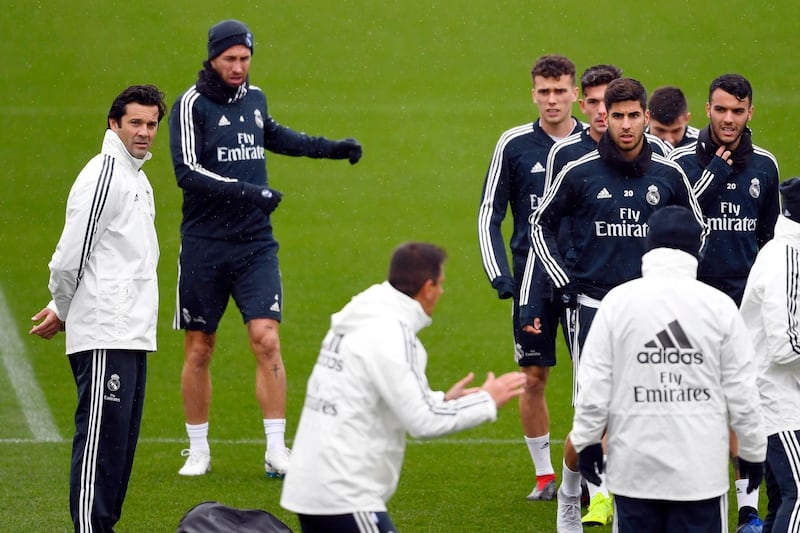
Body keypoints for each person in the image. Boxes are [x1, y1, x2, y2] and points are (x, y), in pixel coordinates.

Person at [169, 19, 363, 478]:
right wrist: (248, 193)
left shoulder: (254, 100)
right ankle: (198, 450)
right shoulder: (189, 105)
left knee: (267, 339)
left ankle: (277, 450)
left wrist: (329, 149)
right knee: (200, 347)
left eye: (245, 58)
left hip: (255, 244)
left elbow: (274, 135)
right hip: (204, 245)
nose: (238, 67)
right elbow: (188, 172)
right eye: (229, 59)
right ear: (212, 58)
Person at [524, 77, 705, 532]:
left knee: (646, 405)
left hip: (650, 310)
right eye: (616, 115)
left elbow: (696, 228)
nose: (624, 125)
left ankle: (620, 499)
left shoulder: (668, 174)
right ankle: (570, 495)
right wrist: (563, 279)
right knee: (591, 418)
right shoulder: (579, 171)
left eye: (632, 116)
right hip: (592, 306)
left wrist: (676, 282)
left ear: (646, 116)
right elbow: (539, 224)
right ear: (604, 116)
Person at [280, 242, 526, 532]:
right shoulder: (392, 334)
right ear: (427, 287)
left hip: (313, 484)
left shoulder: (361, 316)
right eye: (441, 284)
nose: (442, 292)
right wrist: (486, 400)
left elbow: (374, 393)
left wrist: (443, 399)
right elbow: (423, 421)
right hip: (344, 492)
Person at [571, 205, 767, 533]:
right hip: (700, 476)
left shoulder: (617, 303)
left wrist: (588, 440)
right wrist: (751, 450)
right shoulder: (719, 307)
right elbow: (743, 391)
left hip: (634, 473)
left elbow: (593, 383)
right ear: (697, 249)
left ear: (648, 246)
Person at [29, 85, 167, 532]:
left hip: (131, 332)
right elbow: (68, 258)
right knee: (99, 449)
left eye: (151, 124)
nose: (145, 132)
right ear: (114, 124)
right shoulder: (105, 175)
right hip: (107, 332)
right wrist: (66, 308)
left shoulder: (137, 178)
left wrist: (60, 305)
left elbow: (107, 257)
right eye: (136, 123)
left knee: (118, 452)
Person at [668, 74, 779, 529]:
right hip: (694, 298)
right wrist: (710, 177)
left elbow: (772, 239)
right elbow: (670, 227)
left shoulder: (766, 167)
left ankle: (748, 505)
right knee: (690, 400)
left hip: (745, 302)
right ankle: (692, 493)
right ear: (707, 110)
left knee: (744, 401)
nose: (728, 119)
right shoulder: (678, 162)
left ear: (750, 111)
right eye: (720, 110)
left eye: (737, 110)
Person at [477, 54, 583, 503]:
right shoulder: (514, 144)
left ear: (575, 92)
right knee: (533, 375)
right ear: (533, 93)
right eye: (545, 91)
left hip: (584, 280)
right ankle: (544, 477)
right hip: (532, 279)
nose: (553, 99)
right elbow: (489, 215)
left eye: (561, 90)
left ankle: (584, 482)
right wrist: (501, 273)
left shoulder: (595, 142)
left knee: (589, 383)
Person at [740, 177, 800, 533]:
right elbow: (786, 345)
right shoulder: (787, 257)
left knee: (781, 499)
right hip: (779, 400)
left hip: (780, 394)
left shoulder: (786, 251)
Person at [646, 86, 699, 150]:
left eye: (676, 131)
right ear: (647, 117)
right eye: (660, 130)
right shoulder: (635, 141)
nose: (669, 140)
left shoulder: (701, 145)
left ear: (687, 118)